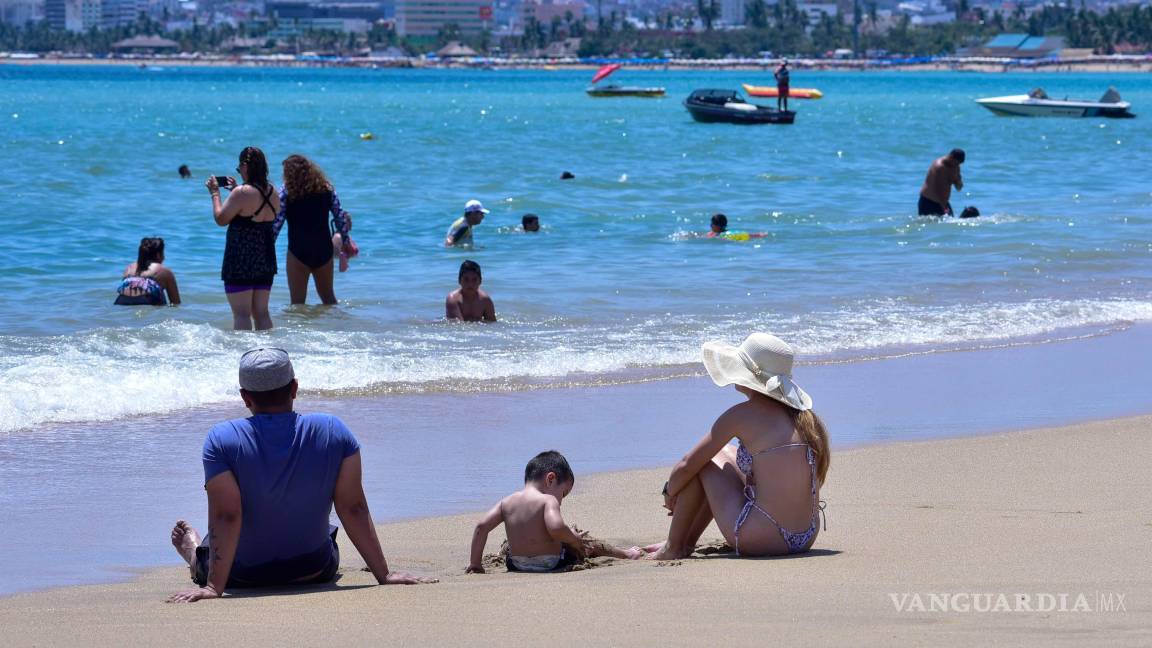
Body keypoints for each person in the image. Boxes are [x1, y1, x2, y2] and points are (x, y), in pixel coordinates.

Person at [166, 348, 436, 603]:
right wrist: (384, 575)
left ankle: (194, 554)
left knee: (209, 547)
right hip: (314, 569)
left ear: (245, 397)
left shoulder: (221, 439)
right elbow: (352, 507)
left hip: (241, 576)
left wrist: (213, 587)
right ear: (294, 388)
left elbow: (227, 516)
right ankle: (199, 552)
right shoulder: (334, 430)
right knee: (323, 530)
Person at [646, 333, 829, 560]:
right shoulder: (803, 417)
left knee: (704, 462)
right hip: (807, 536)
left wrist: (670, 492)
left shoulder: (741, 415)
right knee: (724, 453)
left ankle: (674, 547)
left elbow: (687, 464)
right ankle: (685, 542)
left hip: (762, 537)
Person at [466, 451, 644, 573]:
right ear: (550, 479)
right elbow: (557, 528)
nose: (561, 501)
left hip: (516, 564)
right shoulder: (547, 500)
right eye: (563, 493)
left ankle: (498, 554)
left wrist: (475, 563)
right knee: (584, 540)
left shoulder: (506, 502)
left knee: (510, 543)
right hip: (550, 563)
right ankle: (625, 554)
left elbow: (481, 527)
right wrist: (574, 539)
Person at [207, 146, 280, 330]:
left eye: (239, 168)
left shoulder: (241, 193)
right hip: (265, 260)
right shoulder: (273, 192)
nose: (239, 172)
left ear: (245, 167)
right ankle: (269, 348)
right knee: (262, 313)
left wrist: (215, 194)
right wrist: (236, 189)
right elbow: (257, 210)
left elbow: (221, 219)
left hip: (241, 261)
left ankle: (244, 348)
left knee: (241, 314)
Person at [271, 154, 352, 305]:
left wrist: (267, 246)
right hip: (323, 250)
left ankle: (302, 323)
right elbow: (340, 217)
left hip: (298, 251)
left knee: (297, 304)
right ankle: (337, 321)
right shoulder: (327, 189)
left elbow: (277, 223)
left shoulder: (286, 192)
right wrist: (346, 241)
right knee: (329, 299)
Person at [115, 237, 180, 306]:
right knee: (157, 291)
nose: (164, 257)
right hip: (146, 301)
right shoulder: (164, 271)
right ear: (158, 255)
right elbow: (175, 302)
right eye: (163, 253)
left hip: (121, 301)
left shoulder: (129, 268)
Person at [918, 149, 965, 217]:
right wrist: (944, 207)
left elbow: (959, 188)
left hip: (942, 202)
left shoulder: (955, 166)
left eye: (959, 164)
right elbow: (939, 189)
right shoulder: (940, 167)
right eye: (956, 163)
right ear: (951, 157)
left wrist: (958, 180)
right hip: (928, 202)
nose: (957, 165)